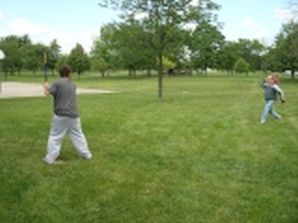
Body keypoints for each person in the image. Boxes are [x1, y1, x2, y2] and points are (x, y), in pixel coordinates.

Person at [43, 65, 92, 164]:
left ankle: (50, 159)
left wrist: (46, 87)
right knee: (78, 135)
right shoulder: (73, 85)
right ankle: (86, 155)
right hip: (74, 115)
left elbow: (47, 93)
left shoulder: (57, 83)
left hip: (60, 114)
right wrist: (48, 88)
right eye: (71, 73)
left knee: (55, 136)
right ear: (68, 73)